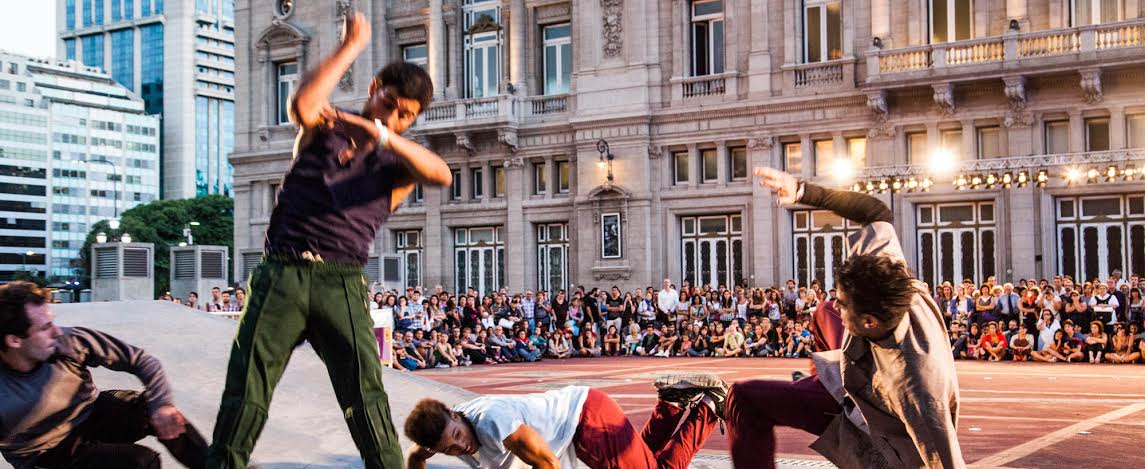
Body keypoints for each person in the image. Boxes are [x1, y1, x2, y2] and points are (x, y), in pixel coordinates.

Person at [206, 13, 452, 468]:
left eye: (405, 116)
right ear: (374, 88)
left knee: (366, 395)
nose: (393, 118)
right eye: (389, 104)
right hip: (282, 272)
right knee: (247, 389)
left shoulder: (397, 166)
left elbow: (442, 174)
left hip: (341, 281)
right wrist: (350, 46)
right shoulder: (326, 127)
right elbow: (302, 102)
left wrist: (382, 135)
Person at [725, 167, 964, 469]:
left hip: (870, 424)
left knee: (744, 398)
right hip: (859, 366)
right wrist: (802, 191)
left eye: (843, 304)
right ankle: (819, 376)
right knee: (823, 313)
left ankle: (821, 388)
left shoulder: (917, 385)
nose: (837, 306)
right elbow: (876, 212)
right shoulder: (888, 272)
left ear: (869, 321)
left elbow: (946, 460)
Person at [0, 282, 207, 468]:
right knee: (140, 462)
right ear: (14, 340)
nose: (57, 332)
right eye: (45, 328)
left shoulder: (68, 342)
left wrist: (161, 405)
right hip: (46, 451)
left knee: (157, 411)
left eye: (52, 322)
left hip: (91, 412)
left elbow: (140, 360)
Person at [403, 374, 727, 469]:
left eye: (458, 435)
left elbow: (547, 464)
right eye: (450, 448)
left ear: (456, 414)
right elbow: (416, 456)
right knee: (641, 457)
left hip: (587, 419)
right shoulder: (439, 433)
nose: (462, 446)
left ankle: (711, 406)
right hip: (585, 412)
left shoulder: (493, 422)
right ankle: (671, 402)